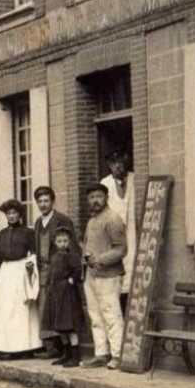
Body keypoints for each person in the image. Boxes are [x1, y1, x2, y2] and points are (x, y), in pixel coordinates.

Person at [80, 183, 127, 369]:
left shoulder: (113, 219)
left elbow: (122, 249)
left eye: (98, 196)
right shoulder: (92, 221)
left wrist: (99, 259)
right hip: (91, 275)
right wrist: (85, 257)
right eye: (91, 198)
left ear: (106, 198)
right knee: (96, 316)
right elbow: (86, 245)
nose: (95, 201)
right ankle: (101, 353)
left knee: (111, 315)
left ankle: (117, 355)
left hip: (108, 275)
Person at [0, 199, 41, 357]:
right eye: (9, 213)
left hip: (21, 270)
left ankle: (27, 347)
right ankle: (9, 347)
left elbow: (34, 252)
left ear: (19, 214)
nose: (11, 216)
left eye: (14, 213)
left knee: (22, 308)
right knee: (7, 309)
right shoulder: (1, 235)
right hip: (6, 271)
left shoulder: (28, 232)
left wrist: (30, 266)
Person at [31, 185, 76, 360]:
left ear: (52, 201)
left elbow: (72, 246)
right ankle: (52, 346)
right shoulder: (37, 223)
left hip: (60, 271)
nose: (43, 204)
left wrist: (70, 273)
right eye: (40, 201)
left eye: (46, 201)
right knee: (46, 308)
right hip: (43, 270)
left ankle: (64, 349)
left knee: (61, 309)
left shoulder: (62, 220)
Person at [100, 149, 137, 314]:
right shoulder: (105, 183)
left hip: (132, 231)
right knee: (116, 271)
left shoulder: (135, 179)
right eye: (114, 163)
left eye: (121, 163)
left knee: (133, 265)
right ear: (109, 165)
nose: (118, 167)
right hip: (113, 234)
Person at [45, 226, 84, 368]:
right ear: (55, 242)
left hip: (68, 295)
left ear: (69, 242)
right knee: (60, 327)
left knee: (70, 326)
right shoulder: (54, 257)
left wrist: (71, 280)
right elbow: (52, 273)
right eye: (59, 241)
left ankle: (75, 355)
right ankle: (66, 353)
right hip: (56, 294)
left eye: (65, 241)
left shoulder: (72, 256)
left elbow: (78, 270)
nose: (62, 244)